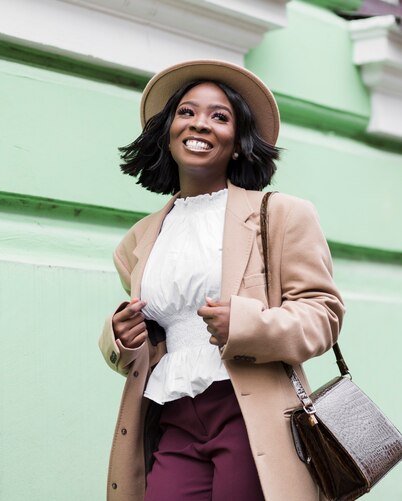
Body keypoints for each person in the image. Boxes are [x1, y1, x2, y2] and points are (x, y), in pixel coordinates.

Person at [98, 60, 344, 501]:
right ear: (167, 131)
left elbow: (323, 314)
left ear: (237, 141)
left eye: (220, 116)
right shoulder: (139, 240)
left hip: (251, 413)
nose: (200, 124)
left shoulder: (281, 214)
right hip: (172, 414)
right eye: (187, 112)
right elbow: (156, 341)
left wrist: (247, 325)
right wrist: (121, 340)